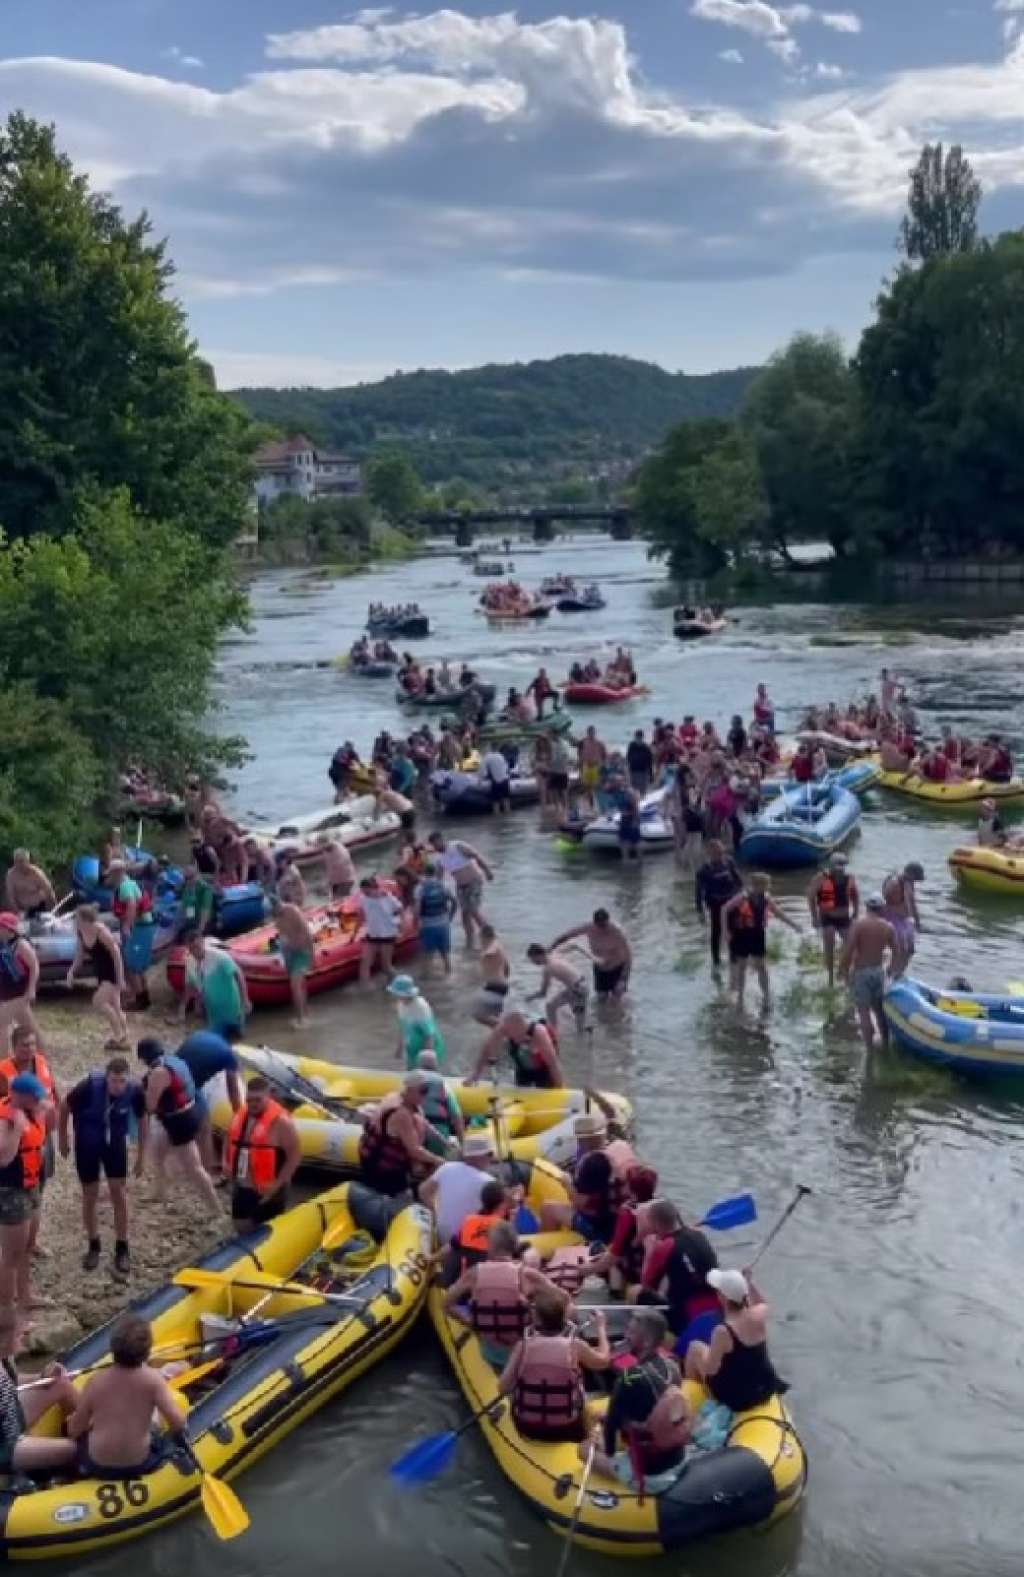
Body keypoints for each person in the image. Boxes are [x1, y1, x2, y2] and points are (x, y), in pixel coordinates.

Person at [67, 1314, 188, 1475]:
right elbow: (178, 1423)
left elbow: (74, 1430)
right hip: (139, 1463)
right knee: (154, 1419)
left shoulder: (95, 1381)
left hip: (96, 1463)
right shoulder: (154, 1380)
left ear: (113, 1349)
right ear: (147, 1351)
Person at [585, 1308, 690, 1493]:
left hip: (649, 1472)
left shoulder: (628, 1378)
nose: (626, 1336)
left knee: (584, 1449)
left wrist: (607, 1453)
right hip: (678, 1458)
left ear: (647, 1341)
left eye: (632, 1332)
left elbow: (610, 1432)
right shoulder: (673, 1366)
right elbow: (657, 1410)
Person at [59, 1055, 147, 1274]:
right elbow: (64, 1106)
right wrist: (62, 1138)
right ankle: (93, 1244)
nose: (118, 1086)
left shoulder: (134, 1091)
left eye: (122, 1081)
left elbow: (143, 1119)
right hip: (87, 1145)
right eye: (113, 1081)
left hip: (114, 1144)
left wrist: (141, 1156)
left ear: (127, 1079)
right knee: (90, 1194)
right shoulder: (89, 1086)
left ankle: (122, 1246)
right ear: (107, 1078)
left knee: (119, 1193)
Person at [445, 1223, 568, 1367]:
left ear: (490, 1246)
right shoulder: (527, 1275)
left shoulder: (474, 1274)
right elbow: (564, 1298)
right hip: (524, 1351)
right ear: (514, 1246)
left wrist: (471, 1323)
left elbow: (446, 1305)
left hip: (490, 1352)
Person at [497, 1288, 610, 1441]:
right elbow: (604, 1361)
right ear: (564, 1317)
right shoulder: (576, 1346)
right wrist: (601, 1328)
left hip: (527, 1426)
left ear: (536, 1318)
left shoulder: (522, 1346)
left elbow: (503, 1388)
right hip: (567, 1427)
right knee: (581, 1389)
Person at [136, 1038, 221, 1213]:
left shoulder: (158, 1073)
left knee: (194, 1168)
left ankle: (216, 1208)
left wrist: (139, 1094)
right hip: (184, 1113)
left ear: (144, 1057)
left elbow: (150, 1106)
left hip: (179, 1122)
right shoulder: (175, 1060)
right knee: (157, 1155)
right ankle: (159, 1192)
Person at [685, 1268, 787, 1412]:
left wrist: (706, 1354)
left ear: (723, 1298)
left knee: (695, 1348)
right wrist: (749, 1283)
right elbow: (762, 1303)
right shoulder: (759, 1315)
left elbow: (710, 1369)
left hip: (737, 1398)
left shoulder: (722, 1331)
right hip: (764, 1387)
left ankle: (694, 1399)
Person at [0, 1073, 51, 1327]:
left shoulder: (31, 1108)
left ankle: (25, 1297)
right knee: (10, 1256)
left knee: (27, 1247)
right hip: (11, 1192)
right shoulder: (6, 1120)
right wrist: (18, 1129)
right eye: (34, 1098)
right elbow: (4, 1159)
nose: (38, 1101)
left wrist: (41, 1107)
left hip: (31, 1186)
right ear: (20, 1096)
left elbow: (48, 1105)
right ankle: (8, 1316)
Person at [222, 1075, 301, 1231]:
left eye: (258, 1100)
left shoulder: (281, 1123)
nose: (252, 1104)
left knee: (267, 1230)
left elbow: (294, 1157)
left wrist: (276, 1186)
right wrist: (225, 1162)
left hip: (269, 1189)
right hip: (243, 1185)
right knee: (240, 1224)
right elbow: (229, 1137)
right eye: (249, 1100)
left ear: (268, 1096)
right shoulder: (241, 1115)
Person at [637, 1199, 720, 1340]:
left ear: (655, 1223)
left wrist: (649, 1251)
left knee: (637, 1293)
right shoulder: (699, 1234)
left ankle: (649, 1336)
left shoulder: (663, 1247)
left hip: (685, 1314)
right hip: (714, 1306)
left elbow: (646, 1284)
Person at [723, 874, 800, 1012]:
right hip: (741, 935)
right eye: (766, 885)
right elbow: (724, 909)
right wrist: (725, 932)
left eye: (768, 885)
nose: (768, 887)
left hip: (758, 935)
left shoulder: (766, 898)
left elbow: (778, 913)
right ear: (757, 885)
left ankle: (766, 995)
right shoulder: (742, 897)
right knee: (742, 967)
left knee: (762, 967)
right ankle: (740, 998)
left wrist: (794, 925)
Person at [358, 1070, 442, 1196]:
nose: (425, 1095)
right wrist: (438, 1161)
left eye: (427, 1090)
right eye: (422, 1091)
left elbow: (423, 1122)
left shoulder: (405, 1101)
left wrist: (442, 1140)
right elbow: (414, 1150)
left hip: (373, 1157)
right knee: (402, 1196)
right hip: (382, 1165)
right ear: (410, 1089)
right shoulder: (401, 1114)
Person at [0, 1342, 79, 1473]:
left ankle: (92, 1428)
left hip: (7, 1420)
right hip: (4, 1446)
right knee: (77, 1449)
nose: (28, 1331)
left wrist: (41, 1377)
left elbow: (11, 1382)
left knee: (59, 1383)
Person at [176, 1028, 244, 1170]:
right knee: (205, 1125)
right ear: (233, 1041)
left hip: (172, 1072)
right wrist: (240, 1115)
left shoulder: (200, 1034)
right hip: (184, 1086)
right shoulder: (227, 1053)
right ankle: (206, 1166)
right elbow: (233, 1089)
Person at [839, 895, 897, 1051]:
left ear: (867, 907)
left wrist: (842, 968)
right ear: (882, 909)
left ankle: (869, 1050)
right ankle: (886, 1043)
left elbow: (849, 950)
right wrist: (891, 970)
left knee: (863, 1011)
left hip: (861, 972)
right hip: (878, 971)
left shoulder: (859, 925)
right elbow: (897, 951)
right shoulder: (888, 927)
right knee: (879, 1010)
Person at [67, 904, 128, 1050]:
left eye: (77, 918)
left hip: (112, 970)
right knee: (115, 1006)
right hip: (101, 971)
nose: (75, 921)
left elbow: (116, 954)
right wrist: (71, 972)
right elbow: (79, 955)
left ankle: (118, 1036)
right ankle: (125, 1035)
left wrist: (120, 978)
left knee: (98, 1001)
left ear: (86, 919)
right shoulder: (81, 932)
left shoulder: (101, 931)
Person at [420, 1133, 497, 1246]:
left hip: (443, 1235)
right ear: (481, 1156)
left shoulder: (446, 1168)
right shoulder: (488, 1182)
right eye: (490, 1154)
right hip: (468, 1241)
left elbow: (423, 1191)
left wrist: (434, 1214)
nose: (492, 1158)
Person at [178, 932, 251, 1040]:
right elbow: (191, 985)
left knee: (239, 1038)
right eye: (191, 949)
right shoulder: (190, 962)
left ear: (202, 942)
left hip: (233, 1008)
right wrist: (189, 1007)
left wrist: (245, 999)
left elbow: (238, 974)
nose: (195, 951)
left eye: (197, 947)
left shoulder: (219, 956)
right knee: (219, 1040)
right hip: (213, 1013)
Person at [550, 909, 632, 1003]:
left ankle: (623, 1009)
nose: (602, 929)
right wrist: (551, 948)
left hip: (617, 967)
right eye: (599, 925)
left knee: (617, 998)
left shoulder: (617, 931)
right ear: (594, 923)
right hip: (600, 969)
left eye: (604, 925)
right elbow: (567, 936)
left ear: (608, 921)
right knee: (601, 999)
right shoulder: (588, 927)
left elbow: (629, 956)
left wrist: (623, 978)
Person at [428, 833, 494, 948]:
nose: (435, 847)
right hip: (460, 887)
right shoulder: (440, 859)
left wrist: (487, 871)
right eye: (433, 845)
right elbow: (438, 879)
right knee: (464, 914)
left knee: (473, 910)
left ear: (441, 839)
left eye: (436, 843)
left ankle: (490, 937)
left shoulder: (457, 846)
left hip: (474, 881)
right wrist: (433, 891)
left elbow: (476, 856)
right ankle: (470, 941)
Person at [471, 1010, 564, 1089]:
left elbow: (553, 1064)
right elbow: (487, 1048)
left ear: (523, 1028)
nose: (515, 1039)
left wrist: (560, 1089)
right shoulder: (503, 1028)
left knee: (547, 1083)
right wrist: (476, 1074)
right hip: (523, 1067)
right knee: (522, 1085)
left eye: (517, 1036)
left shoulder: (540, 1033)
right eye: (511, 1035)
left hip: (544, 1068)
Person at [107, 859, 155, 1011]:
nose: (109, 877)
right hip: (142, 927)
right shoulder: (128, 884)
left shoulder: (125, 886)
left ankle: (141, 1000)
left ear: (117, 872)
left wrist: (127, 926)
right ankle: (143, 996)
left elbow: (132, 904)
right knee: (136, 964)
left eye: (110, 874)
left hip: (139, 928)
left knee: (130, 964)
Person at [808, 853, 860, 987]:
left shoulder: (850, 878)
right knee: (829, 943)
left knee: (851, 946)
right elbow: (811, 897)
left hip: (844, 918)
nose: (840, 869)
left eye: (842, 866)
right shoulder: (820, 878)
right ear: (831, 866)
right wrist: (814, 917)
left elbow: (855, 895)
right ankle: (830, 978)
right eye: (837, 866)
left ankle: (844, 973)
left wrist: (856, 913)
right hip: (827, 918)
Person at [695, 841, 744, 968]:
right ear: (710, 854)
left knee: (735, 929)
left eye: (721, 852)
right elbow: (698, 892)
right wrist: (700, 911)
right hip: (715, 904)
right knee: (716, 932)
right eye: (717, 853)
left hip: (731, 902)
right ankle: (716, 961)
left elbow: (739, 881)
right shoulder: (703, 870)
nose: (720, 856)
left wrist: (741, 897)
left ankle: (734, 957)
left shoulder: (729, 862)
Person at [413, 1050, 466, 1162]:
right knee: (435, 1166)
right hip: (439, 1131)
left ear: (418, 1064)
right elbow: (456, 1115)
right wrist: (462, 1144)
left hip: (414, 1130)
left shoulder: (412, 1081)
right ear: (436, 1065)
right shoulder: (442, 1084)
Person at [526, 943, 589, 1033]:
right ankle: (554, 1031)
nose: (533, 962)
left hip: (578, 990)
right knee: (551, 1006)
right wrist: (593, 957)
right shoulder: (555, 953)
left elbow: (543, 993)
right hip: (579, 985)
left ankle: (555, 1033)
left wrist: (531, 997)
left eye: (533, 959)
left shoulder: (547, 968)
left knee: (579, 1024)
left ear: (538, 955)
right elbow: (574, 945)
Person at [388, 974, 447, 1069]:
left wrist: (426, 1060)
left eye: (397, 994)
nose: (395, 996)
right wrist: (399, 1048)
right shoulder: (401, 1005)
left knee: (426, 1075)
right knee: (410, 1071)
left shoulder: (421, 1007)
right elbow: (402, 1027)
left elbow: (429, 1035)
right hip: (413, 1047)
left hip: (428, 1047)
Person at [355, 876, 404, 988]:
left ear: (374, 888)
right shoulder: (363, 899)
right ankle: (366, 989)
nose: (365, 894)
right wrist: (354, 935)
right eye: (363, 891)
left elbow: (400, 909)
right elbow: (361, 917)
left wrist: (401, 927)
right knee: (365, 963)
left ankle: (398, 983)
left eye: (367, 891)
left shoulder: (387, 898)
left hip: (387, 934)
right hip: (372, 934)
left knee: (386, 966)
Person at [273, 897, 315, 1027]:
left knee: (295, 985)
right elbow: (283, 936)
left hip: (302, 952)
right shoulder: (277, 918)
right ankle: (305, 1014)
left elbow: (306, 932)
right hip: (289, 954)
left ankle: (300, 1020)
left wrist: (312, 955)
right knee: (300, 986)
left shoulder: (293, 911)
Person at [0, 915, 38, 1053]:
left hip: (19, 992)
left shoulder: (20, 944)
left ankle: (3, 1062)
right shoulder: (2, 943)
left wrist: (31, 989)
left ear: (8, 929)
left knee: (2, 1024)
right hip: (6, 992)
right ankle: (41, 1055)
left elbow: (34, 966)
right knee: (29, 1027)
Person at [415, 859, 457, 976]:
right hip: (444, 924)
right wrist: (450, 917)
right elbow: (454, 902)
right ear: (434, 872)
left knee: (427, 954)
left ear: (424, 873)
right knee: (445, 953)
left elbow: (417, 909)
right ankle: (449, 975)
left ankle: (425, 978)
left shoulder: (420, 888)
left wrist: (417, 923)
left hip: (428, 925)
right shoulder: (444, 885)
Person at [882, 861, 924, 977]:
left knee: (910, 950)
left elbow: (912, 903)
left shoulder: (909, 883)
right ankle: (891, 972)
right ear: (911, 874)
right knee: (900, 949)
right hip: (893, 918)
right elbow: (887, 898)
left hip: (904, 919)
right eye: (915, 878)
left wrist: (917, 922)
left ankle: (898, 973)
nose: (915, 881)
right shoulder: (895, 883)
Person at [473, 923, 511, 1026]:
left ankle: (508, 1029)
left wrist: (484, 955)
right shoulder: (499, 946)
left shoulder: (493, 945)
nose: (480, 941)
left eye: (480, 938)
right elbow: (507, 966)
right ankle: (503, 1033)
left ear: (485, 936)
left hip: (495, 986)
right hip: (500, 985)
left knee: (478, 1014)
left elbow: (491, 951)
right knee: (494, 1016)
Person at [4, 852, 55, 919]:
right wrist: (17, 911)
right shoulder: (11, 875)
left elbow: (48, 889)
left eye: (22, 861)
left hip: (40, 907)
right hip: (23, 909)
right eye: (17, 861)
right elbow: (11, 896)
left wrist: (53, 906)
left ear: (27, 861)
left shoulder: (36, 872)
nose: (20, 864)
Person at [577, 727, 607, 810]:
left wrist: (602, 764)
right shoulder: (583, 742)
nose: (591, 734)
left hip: (595, 766)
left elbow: (604, 755)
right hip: (586, 765)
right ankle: (589, 804)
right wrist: (579, 765)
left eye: (593, 732)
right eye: (590, 732)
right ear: (587, 733)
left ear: (595, 733)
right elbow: (579, 754)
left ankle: (595, 804)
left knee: (595, 786)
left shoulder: (599, 743)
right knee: (586, 786)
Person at [481, 746, 512, 815]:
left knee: (495, 802)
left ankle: (497, 817)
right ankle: (508, 815)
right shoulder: (501, 756)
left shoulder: (487, 757)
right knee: (506, 800)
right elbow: (506, 768)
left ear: (490, 749)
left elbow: (482, 771)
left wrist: (480, 780)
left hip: (496, 781)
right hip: (505, 780)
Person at [626, 731, 654, 796]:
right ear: (635, 737)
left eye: (640, 737)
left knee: (642, 790)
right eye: (637, 737)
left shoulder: (646, 748)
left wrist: (651, 775)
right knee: (634, 790)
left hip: (643, 772)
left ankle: (642, 800)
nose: (638, 739)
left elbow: (650, 762)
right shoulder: (631, 746)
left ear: (642, 738)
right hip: (633, 771)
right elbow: (628, 758)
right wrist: (627, 769)